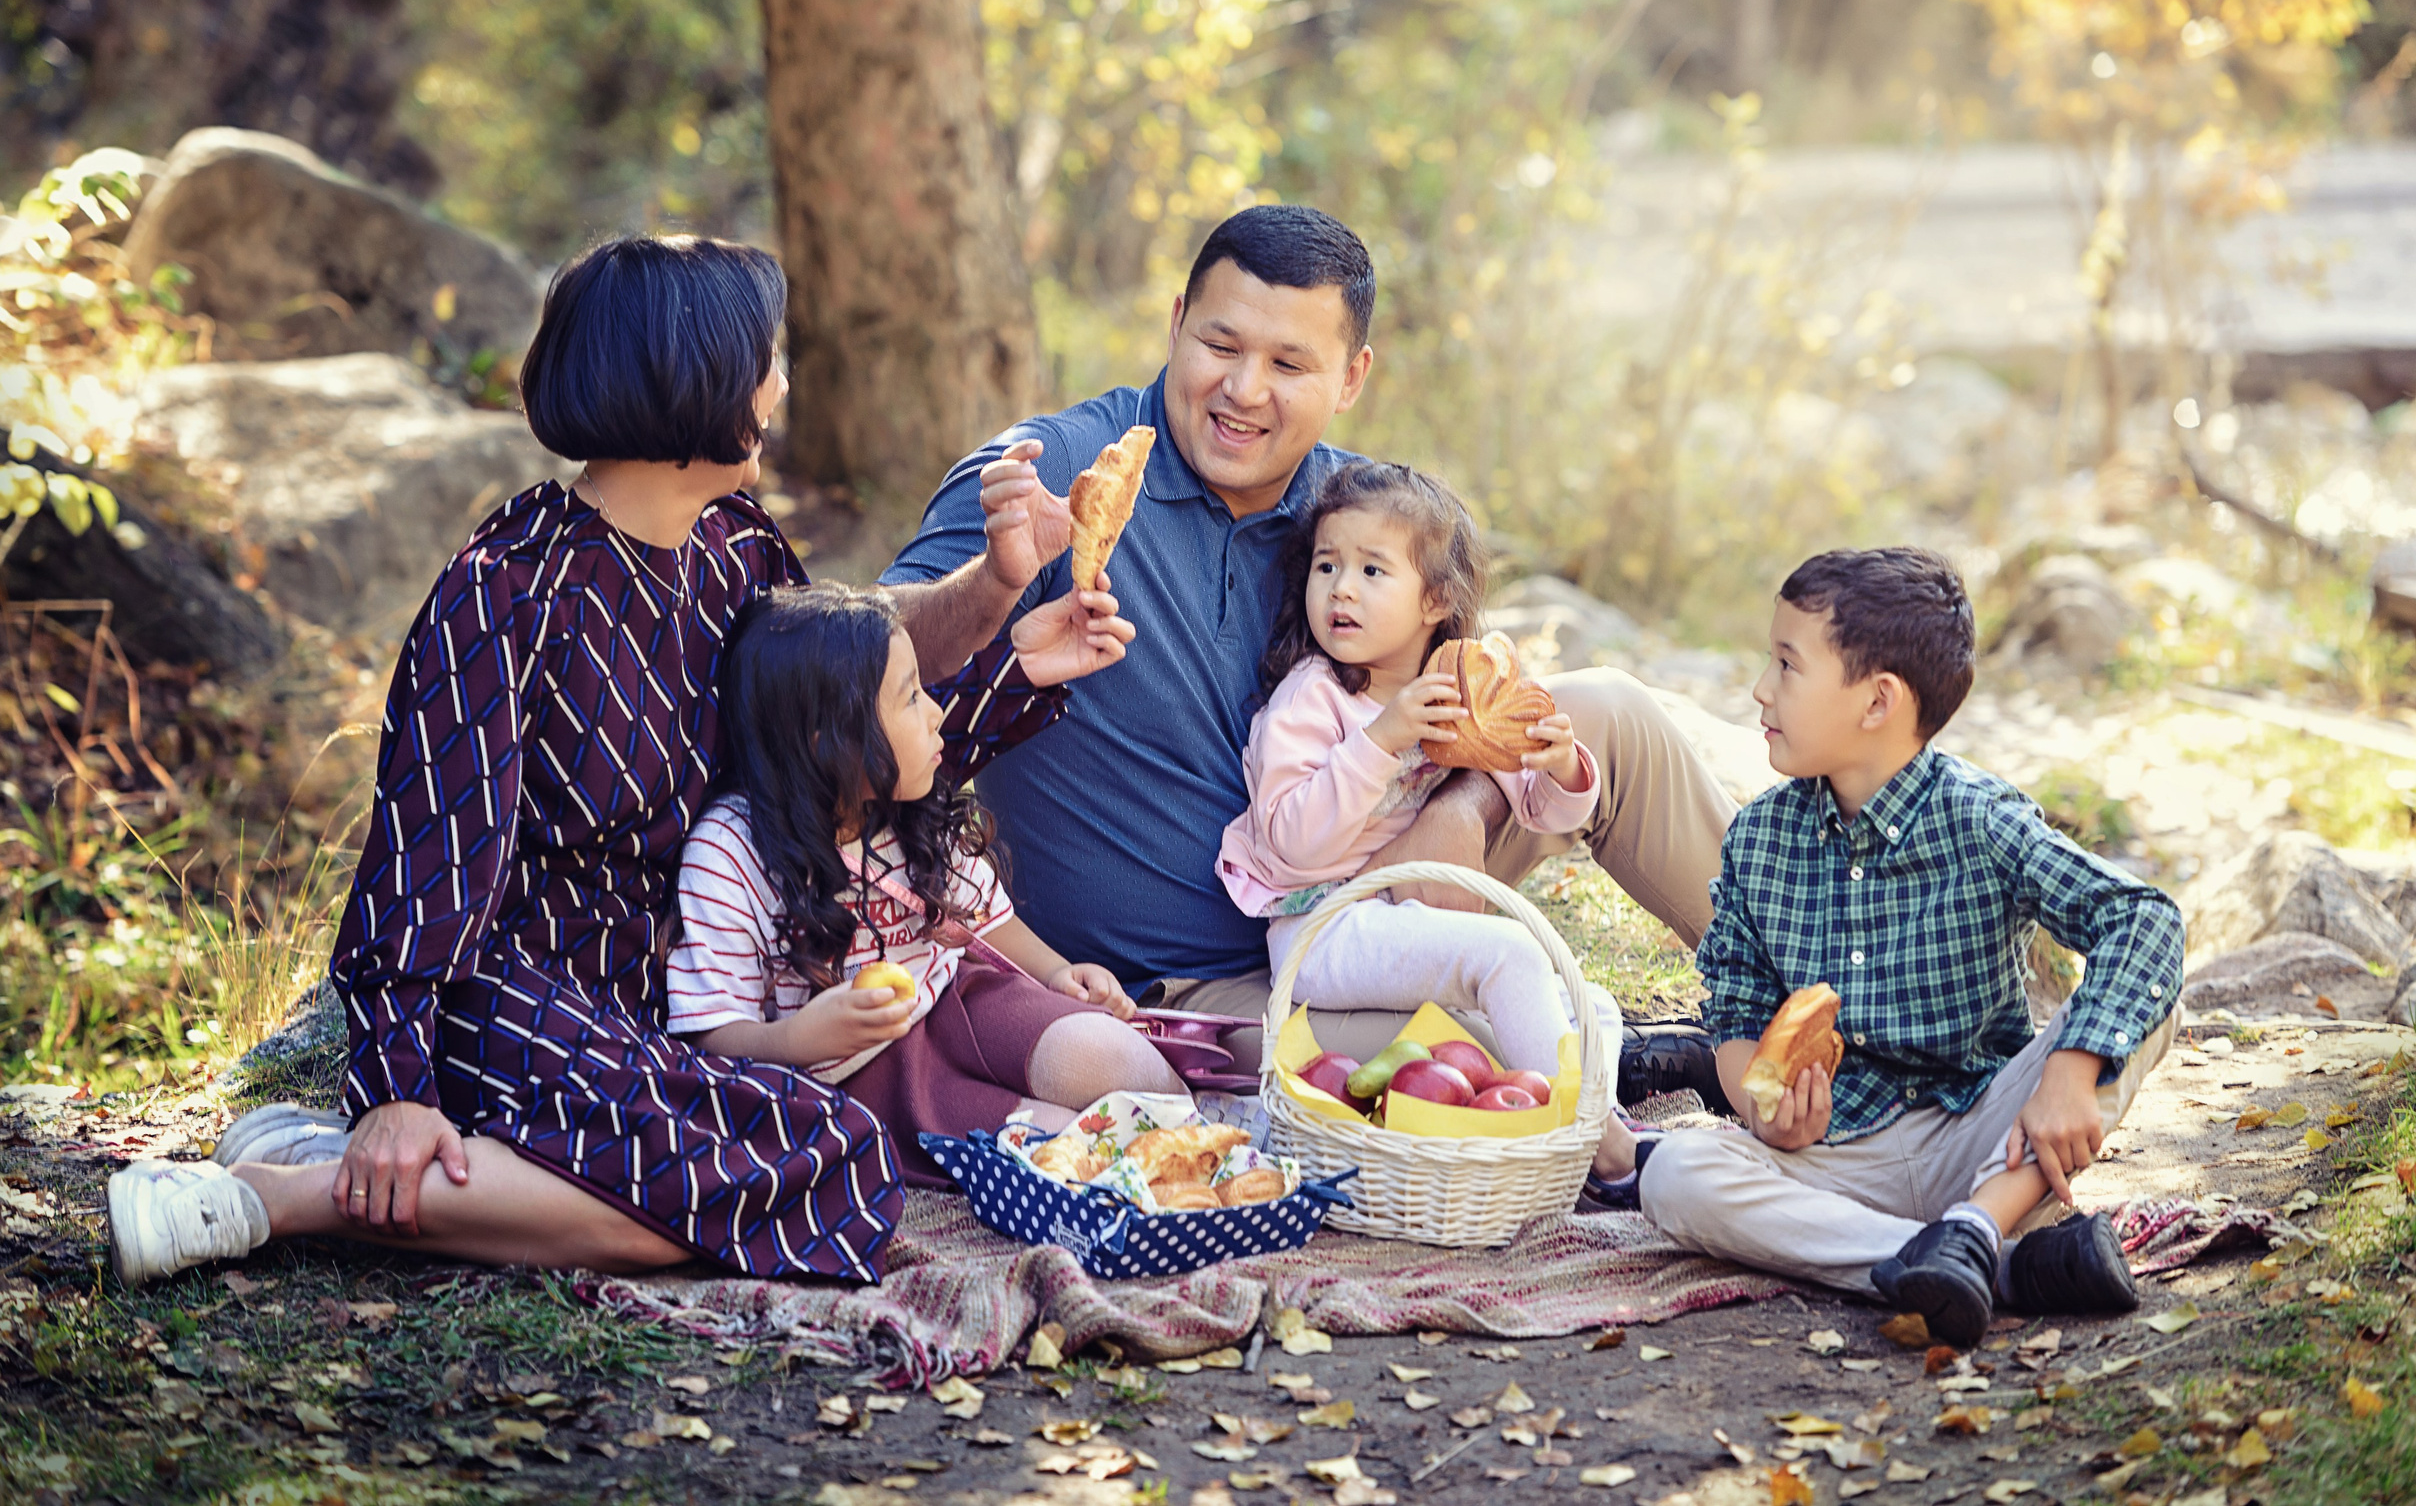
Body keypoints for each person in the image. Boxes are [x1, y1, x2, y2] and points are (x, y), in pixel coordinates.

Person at [104, 235, 1130, 1287]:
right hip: (518, 990)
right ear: (694, 381)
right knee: (691, 1199)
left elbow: (829, 749)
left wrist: (1017, 661)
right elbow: (429, 857)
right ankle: (277, 1197)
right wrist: (396, 1086)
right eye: (763, 359)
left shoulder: (738, 546)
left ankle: (356, 1172)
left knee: (821, 1155)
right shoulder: (504, 589)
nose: (780, 383)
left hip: (681, 1003)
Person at [885, 203, 1738, 1096]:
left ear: (1351, 376)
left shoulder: (1360, 513)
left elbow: (1472, 701)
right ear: (1176, 323)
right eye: (1221, 345)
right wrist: (990, 580)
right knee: (1467, 1052)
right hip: (1211, 980)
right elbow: (855, 648)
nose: (1245, 389)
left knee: (1613, 712)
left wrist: (1471, 799)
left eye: (1290, 363)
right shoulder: (1059, 470)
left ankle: (1827, 1018)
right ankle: (1600, 1062)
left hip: (1372, 881)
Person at [1634, 548, 2184, 1346]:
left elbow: (2145, 917)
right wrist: (1767, 1114)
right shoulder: (1760, 840)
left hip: (1983, 1136)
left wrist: (2068, 1070)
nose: (1760, 687)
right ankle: (1992, 1266)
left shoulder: (1980, 820)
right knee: (1675, 1177)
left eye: (1787, 664)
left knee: (2152, 998)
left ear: (1877, 701)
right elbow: (1737, 1011)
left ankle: (1976, 1225)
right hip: (1835, 1162)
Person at [667, 582, 1179, 1185]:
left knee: (1130, 1068)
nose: (936, 713)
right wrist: (804, 1037)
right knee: (1060, 1149)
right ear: (829, 743)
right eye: (911, 698)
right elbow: (712, 1038)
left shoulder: (908, 805)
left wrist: (1057, 973)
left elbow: (986, 918)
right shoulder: (729, 855)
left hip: (957, 1000)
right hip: (860, 1073)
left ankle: (1226, 1154)